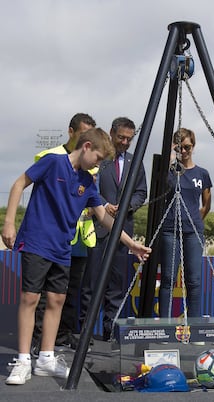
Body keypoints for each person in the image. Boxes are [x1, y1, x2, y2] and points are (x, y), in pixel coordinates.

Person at [2, 128, 151, 385]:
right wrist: (8, 223)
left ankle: (46, 358)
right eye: (98, 158)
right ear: (86, 147)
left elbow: (104, 217)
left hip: (62, 247)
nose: (99, 165)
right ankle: (24, 359)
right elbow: (18, 184)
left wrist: (131, 244)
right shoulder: (52, 161)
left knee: (57, 299)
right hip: (37, 241)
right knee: (30, 297)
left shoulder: (87, 181)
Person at [31, 113, 97, 356]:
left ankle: (62, 334)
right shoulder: (51, 157)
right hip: (49, 238)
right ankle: (37, 340)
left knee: (70, 291)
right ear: (71, 132)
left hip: (79, 238)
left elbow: (94, 201)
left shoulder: (91, 167)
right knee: (42, 294)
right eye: (83, 133)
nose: (86, 140)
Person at [80, 117, 147, 341]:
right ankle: (84, 332)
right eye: (121, 138)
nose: (125, 143)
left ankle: (110, 332)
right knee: (91, 284)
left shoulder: (135, 161)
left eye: (129, 139)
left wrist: (126, 206)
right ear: (111, 133)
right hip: (97, 229)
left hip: (123, 230)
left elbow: (141, 192)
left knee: (116, 286)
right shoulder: (98, 159)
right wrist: (105, 205)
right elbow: (87, 186)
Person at [159, 128, 212, 319]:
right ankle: (165, 326)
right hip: (169, 229)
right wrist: (172, 154)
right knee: (168, 279)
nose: (184, 151)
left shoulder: (202, 173)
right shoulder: (170, 171)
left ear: (194, 146)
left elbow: (206, 204)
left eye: (187, 147)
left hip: (193, 231)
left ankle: (195, 325)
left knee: (194, 280)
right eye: (180, 147)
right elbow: (160, 182)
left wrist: (194, 220)